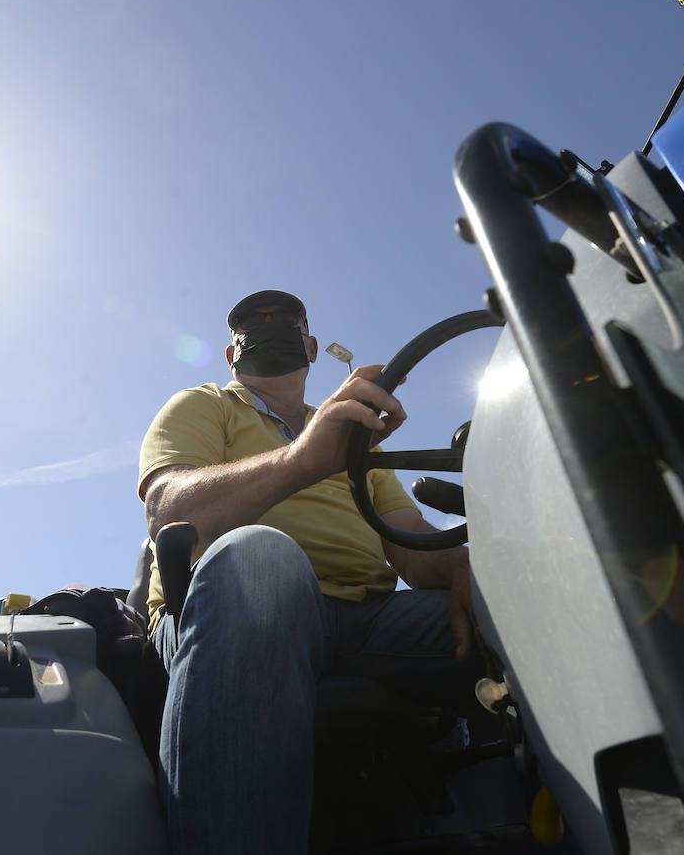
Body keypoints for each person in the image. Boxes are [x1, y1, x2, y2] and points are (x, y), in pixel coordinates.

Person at [137, 289, 483, 855]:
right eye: (254, 324)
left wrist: (468, 562)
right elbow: (171, 510)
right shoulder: (205, 406)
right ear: (231, 355)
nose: (270, 329)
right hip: (224, 611)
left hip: (368, 619)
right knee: (259, 557)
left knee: (516, 600)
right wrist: (305, 459)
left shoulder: (354, 437)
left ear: (313, 348)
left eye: (286, 323)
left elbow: (409, 541)